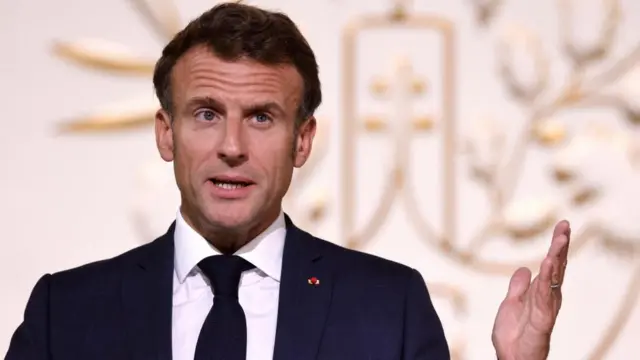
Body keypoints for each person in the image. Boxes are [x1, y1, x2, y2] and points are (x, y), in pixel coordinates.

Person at [5, 3, 571, 360]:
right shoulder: (68, 311)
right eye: (206, 113)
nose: (231, 145)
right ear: (166, 133)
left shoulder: (388, 307)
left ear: (302, 141)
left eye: (261, 117)